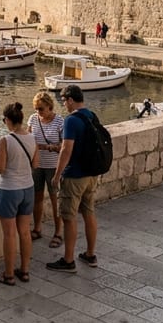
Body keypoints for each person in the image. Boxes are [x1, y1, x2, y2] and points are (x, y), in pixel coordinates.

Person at [49, 85, 100, 272]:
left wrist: (56, 175)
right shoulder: (91, 116)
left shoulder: (71, 120)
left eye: (64, 101)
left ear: (70, 99)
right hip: (91, 175)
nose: (64, 105)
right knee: (89, 213)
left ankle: (68, 260)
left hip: (74, 176)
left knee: (68, 217)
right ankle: (90, 254)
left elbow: (66, 149)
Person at [0, 102, 37, 285]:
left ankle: (8, 274)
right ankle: (24, 271)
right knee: (24, 232)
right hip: (28, 188)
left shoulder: (5, 140)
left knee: (9, 234)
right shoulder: (32, 138)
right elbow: (35, 164)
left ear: (7, 120)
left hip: (9, 189)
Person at [29, 91, 65, 249]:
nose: (38, 112)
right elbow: (28, 139)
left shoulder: (59, 122)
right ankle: (37, 228)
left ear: (50, 107)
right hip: (37, 166)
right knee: (36, 198)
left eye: (41, 108)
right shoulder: (33, 119)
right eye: (36, 108)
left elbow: (65, 147)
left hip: (53, 166)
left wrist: (48, 147)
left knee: (54, 200)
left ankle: (58, 232)